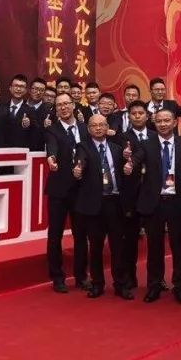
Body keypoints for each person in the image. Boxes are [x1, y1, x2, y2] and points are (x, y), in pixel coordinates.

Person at [137, 107, 181, 303]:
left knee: (180, 247)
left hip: (178, 202)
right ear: (154, 123)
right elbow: (137, 159)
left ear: (174, 123)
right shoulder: (146, 145)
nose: (163, 124)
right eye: (159, 121)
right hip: (154, 203)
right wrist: (130, 161)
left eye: (166, 121)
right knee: (154, 247)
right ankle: (154, 285)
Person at [72, 114, 130, 298]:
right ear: (88, 129)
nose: (98, 128)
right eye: (94, 125)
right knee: (96, 247)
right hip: (94, 205)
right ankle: (97, 284)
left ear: (107, 128)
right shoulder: (83, 147)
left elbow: (124, 172)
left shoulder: (116, 148)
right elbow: (81, 161)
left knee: (118, 247)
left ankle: (120, 284)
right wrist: (78, 169)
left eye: (101, 125)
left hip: (114, 203)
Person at [44, 92, 88, 292]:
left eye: (66, 103)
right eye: (59, 105)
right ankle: (57, 277)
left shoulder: (84, 128)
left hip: (81, 189)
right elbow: (51, 147)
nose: (63, 107)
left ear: (73, 105)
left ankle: (81, 276)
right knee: (55, 235)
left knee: (81, 235)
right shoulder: (52, 130)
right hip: (59, 190)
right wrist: (51, 158)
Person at [115, 100, 151, 297]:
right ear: (128, 117)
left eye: (140, 113)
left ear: (147, 115)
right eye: (133, 113)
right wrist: (124, 155)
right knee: (129, 240)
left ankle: (156, 280)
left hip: (152, 194)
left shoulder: (155, 135)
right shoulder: (122, 138)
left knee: (155, 240)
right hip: (130, 195)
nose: (137, 116)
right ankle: (129, 277)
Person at [0, 74, 34, 149]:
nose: (18, 89)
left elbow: (34, 134)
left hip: (20, 151)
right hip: (1, 150)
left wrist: (28, 125)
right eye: (16, 86)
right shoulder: (0, 107)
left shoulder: (31, 110)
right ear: (10, 88)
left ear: (26, 90)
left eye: (22, 87)